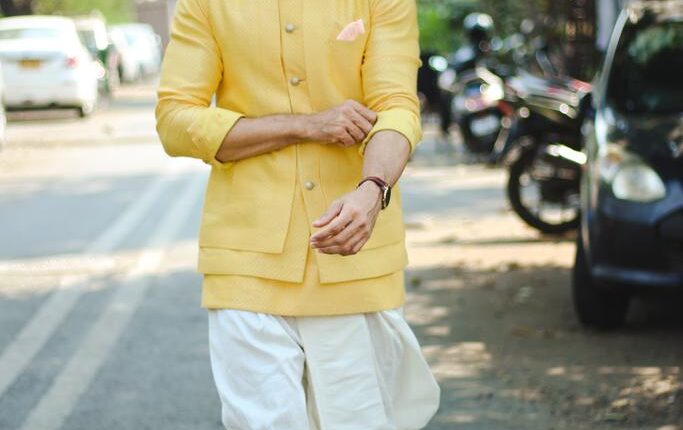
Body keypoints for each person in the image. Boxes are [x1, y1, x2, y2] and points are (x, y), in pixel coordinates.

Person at [155, 0, 441, 428]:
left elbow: (397, 106)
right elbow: (175, 119)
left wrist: (372, 190)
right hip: (245, 260)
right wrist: (306, 125)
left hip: (355, 260)